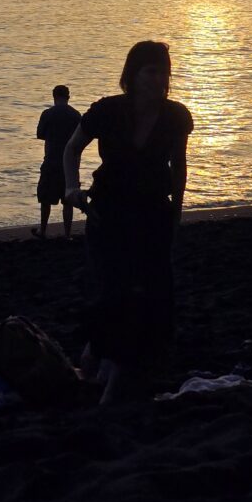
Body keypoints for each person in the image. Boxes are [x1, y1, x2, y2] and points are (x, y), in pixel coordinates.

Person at [63, 41, 193, 402]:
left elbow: (178, 166)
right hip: (109, 212)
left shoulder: (175, 116)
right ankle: (99, 361)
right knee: (113, 291)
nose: (158, 78)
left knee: (152, 295)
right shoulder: (107, 111)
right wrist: (72, 188)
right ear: (132, 75)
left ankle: (112, 369)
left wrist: (178, 213)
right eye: (150, 70)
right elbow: (72, 148)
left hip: (153, 213)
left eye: (163, 71)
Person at [32, 85, 81, 240]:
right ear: (68, 97)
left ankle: (43, 230)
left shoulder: (47, 114)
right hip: (70, 163)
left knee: (45, 198)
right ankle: (67, 234)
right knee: (68, 200)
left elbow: (40, 134)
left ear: (54, 96)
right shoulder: (75, 115)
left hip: (51, 160)